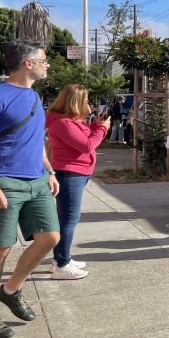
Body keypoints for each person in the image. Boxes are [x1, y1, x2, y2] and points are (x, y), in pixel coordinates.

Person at [0, 41, 61, 338]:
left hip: (37, 182)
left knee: (50, 238)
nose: (47, 65)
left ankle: (11, 288)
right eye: (43, 60)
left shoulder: (33, 96)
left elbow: (35, 140)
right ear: (28, 63)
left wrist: (49, 170)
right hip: (5, 181)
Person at [45, 84, 110, 280]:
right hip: (70, 173)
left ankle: (61, 258)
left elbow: (83, 137)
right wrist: (103, 129)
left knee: (66, 218)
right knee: (69, 219)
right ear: (76, 102)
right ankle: (62, 264)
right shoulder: (62, 122)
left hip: (75, 173)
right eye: (86, 101)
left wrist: (94, 125)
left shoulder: (70, 121)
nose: (88, 105)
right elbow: (87, 145)